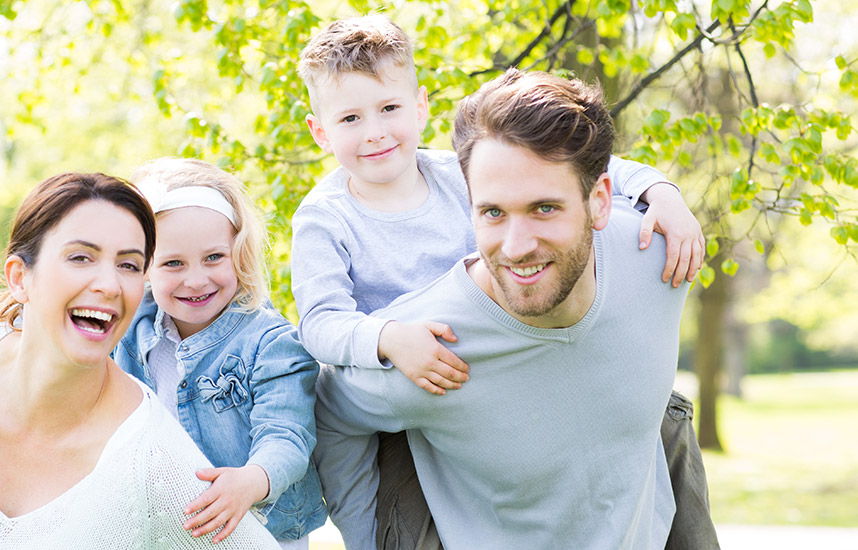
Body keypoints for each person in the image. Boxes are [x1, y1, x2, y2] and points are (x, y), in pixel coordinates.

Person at [292, 15, 718, 550]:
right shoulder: (324, 219)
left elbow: (577, 164)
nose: (374, 131)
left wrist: (661, 190)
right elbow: (320, 324)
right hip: (417, 381)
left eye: (389, 109)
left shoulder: (460, 170)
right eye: (350, 117)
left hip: (517, 349)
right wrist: (386, 339)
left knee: (661, 419)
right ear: (320, 130)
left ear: (420, 106)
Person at [0, 173, 279, 549]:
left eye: (129, 265)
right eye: (81, 257)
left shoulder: (154, 466)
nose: (109, 285)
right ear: (19, 278)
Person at [114, 158, 326, 549]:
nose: (196, 280)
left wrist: (252, 479)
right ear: (144, 267)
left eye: (214, 257)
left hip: (264, 530)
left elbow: (287, 435)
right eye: (173, 263)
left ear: (239, 254)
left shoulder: (270, 342)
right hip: (168, 530)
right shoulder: (129, 331)